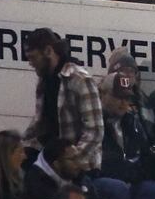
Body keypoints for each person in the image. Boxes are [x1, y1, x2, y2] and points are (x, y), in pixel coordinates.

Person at [23, 28, 104, 177]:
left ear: (48, 51)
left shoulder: (80, 79)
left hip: (81, 167)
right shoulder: (44, 81)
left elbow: (95, 131)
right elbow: (39, 123)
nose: (31, 63)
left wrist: (70, 161)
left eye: (33, 57)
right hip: (54, 160)